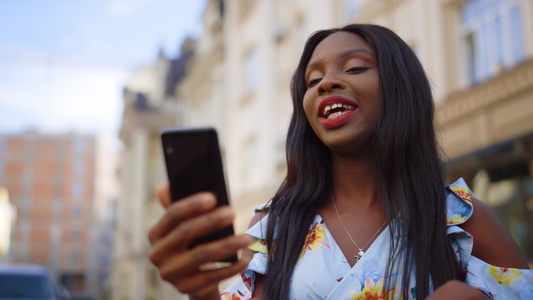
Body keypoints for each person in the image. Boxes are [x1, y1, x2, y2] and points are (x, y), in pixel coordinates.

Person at [148, 24, 532, 299]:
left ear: (401, 90)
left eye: (354, 68)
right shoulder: (273, 229)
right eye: (312, 80)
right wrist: (201, 294)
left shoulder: (461, 219)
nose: (326, 83)